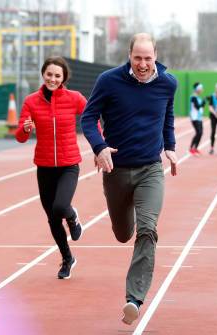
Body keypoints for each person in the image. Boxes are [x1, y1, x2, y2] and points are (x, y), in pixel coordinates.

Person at [81, 33, 178, 326]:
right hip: (116, 171)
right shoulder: (109, 81)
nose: (143, 64)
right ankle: (128, 221)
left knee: (147, 230)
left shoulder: (167, 83)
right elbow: (88, 117)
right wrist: (99, 148)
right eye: (138, 58)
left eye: (148, 58)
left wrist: (170, 147)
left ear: (156, 56)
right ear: (129, 55)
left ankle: (133, 298)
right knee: (123, 233)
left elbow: (167, 117)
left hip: (150, 169)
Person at [15, 56, 86, 279]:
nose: (52, 79)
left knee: (60, 207)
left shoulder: (74, 98)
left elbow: (92, 116)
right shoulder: (31, 101)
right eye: (49, 74)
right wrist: (26, 129)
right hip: (44, 167)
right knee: (53, 219)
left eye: (57, 75)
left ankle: (72, 216)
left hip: (69, 165)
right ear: (43, 74)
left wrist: (101, 144)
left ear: (64, 77)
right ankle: (67, 259)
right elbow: (19, 137)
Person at [189, 82, 205, 155]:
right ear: (197, 89)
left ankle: (195, 148)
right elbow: (197, 107)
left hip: (199, 118)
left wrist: (203, 103)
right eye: (200, 89)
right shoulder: (193, 97)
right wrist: (203, 102)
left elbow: (201, 107)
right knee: (198, 132)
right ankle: (191, 148)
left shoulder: (198, 97)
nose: (201, 90)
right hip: (194, 118)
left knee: (200, 133)